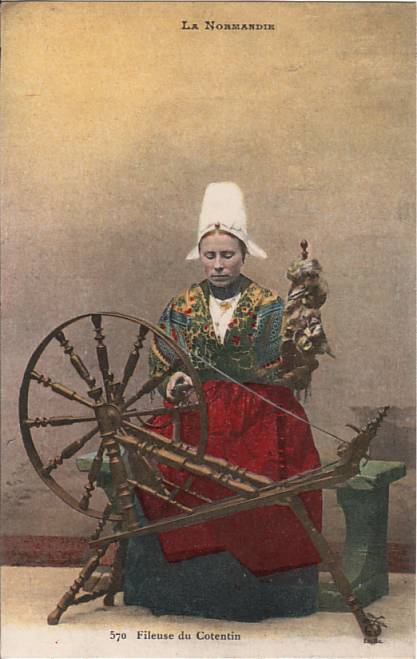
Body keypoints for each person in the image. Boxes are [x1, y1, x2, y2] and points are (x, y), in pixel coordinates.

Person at [124, 182, 327, 620]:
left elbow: (286, 366)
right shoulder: (181, 305)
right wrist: (175, 381)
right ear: (200, 255)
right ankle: (186, 585)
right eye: (210, 255)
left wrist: (297, 344)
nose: (218, 265)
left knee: (259, 471)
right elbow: (163, 355)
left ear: (244, 255)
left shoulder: (271, 305)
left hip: (260, 410)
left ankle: (265, 590)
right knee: (168, 465)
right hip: (195, 410)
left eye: (228, 255)